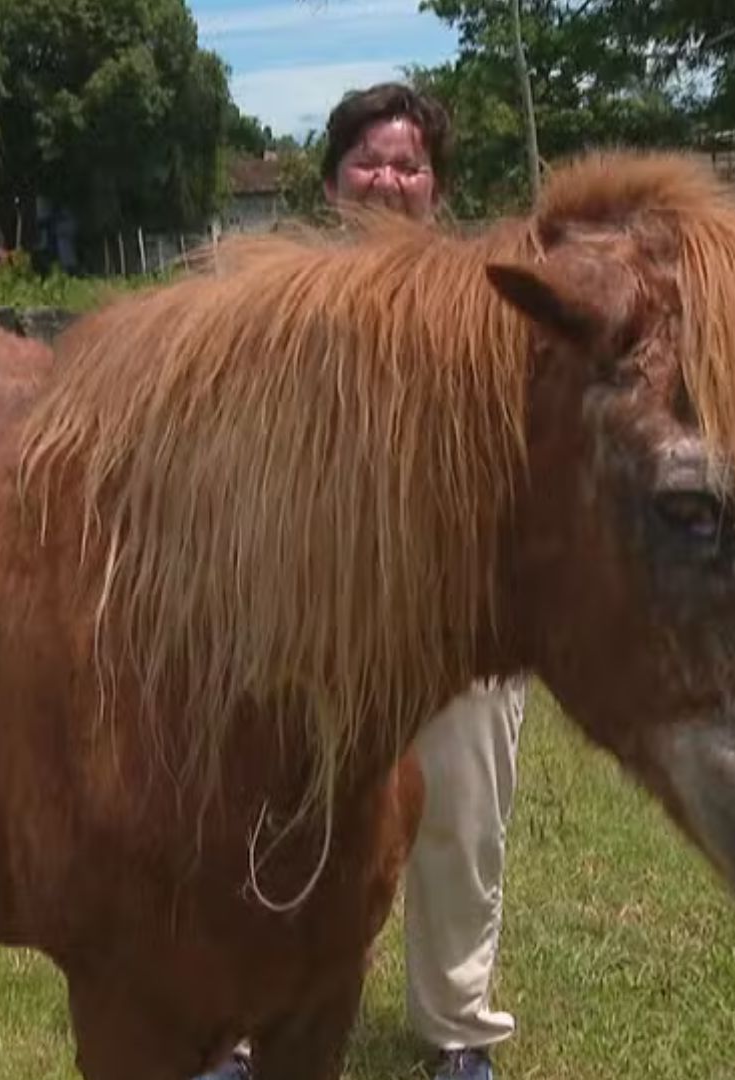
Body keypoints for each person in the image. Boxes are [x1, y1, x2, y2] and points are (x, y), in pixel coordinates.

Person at [199, 83, 525, 1080]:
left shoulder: (487, 299)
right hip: (299, 616)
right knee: (268, 817)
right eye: (369, 160)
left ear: (437, 188)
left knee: (461, 817)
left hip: (447, 617)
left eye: (409, 164)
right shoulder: (266, 293)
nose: (388, 178)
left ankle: (458, 1029)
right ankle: (240, 1028)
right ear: (333, 174)